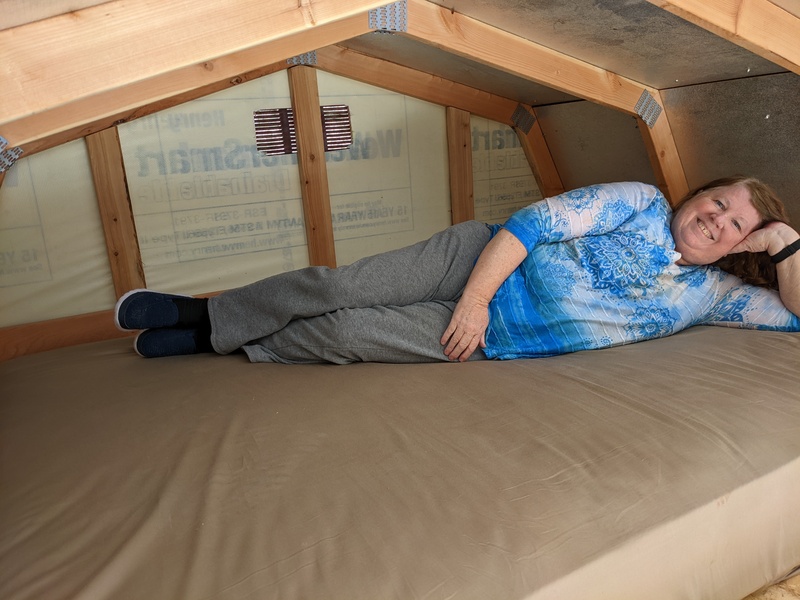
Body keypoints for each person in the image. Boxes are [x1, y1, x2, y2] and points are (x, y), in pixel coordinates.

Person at [115, 176, 800, 363]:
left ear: (744, 244)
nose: (717, 218)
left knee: (346, 336)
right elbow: (532, 223)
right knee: (339, 287)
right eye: (717, 201)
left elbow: (797, 315)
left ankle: (229, 343)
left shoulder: (714, 294)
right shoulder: (641, 203)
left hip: (501, 338)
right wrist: (474, 300)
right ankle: (202, 315)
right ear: (695, 195)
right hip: (479, 262)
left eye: (737, 223)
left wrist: (788, 245)